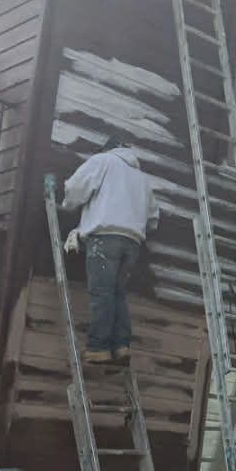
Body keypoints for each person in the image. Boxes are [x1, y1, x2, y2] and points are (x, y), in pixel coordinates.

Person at [61, 135, 158, 365]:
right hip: (132, 243)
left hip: (105, 238)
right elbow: (153, 218)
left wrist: (67, 204)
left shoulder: (103, 161)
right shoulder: (142, 178)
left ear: (108, 148)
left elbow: (74, 189)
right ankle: (121, 345)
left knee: (102, 293)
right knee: (117, 293)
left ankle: (98, 348)